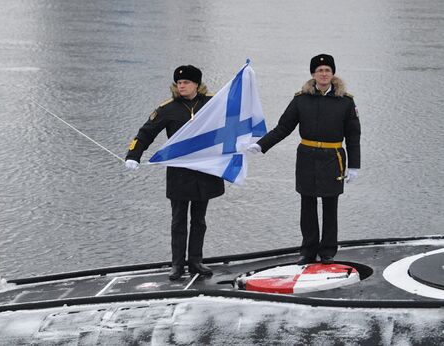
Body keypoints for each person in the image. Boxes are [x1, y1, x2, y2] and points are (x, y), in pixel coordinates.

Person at [248, 54, 361, 265]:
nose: (324, 74)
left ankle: (327, 251)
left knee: (330, 205)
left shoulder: (345, 101)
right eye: (319, 70)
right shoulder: (301, 99)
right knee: (307, 204)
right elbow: (283, 127)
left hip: (333, 157)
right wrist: (262, 145)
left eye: (327, 70)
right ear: (313, 74)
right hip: (307, 157)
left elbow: (354, 135)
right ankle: (308, 250)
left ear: (333, 73)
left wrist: (354, 165)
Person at [125, 65, 225, 280]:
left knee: (199, 220)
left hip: (205, 171)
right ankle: (177, 265)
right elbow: (145, 133)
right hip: (180, 174)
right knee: (178, 220)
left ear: (196, 85)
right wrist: (133, 155)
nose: (181, 86)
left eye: (186, 82)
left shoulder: (212, 104)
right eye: (179, 83)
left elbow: (233, 123)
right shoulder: (168, 109)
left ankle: (196, 261)